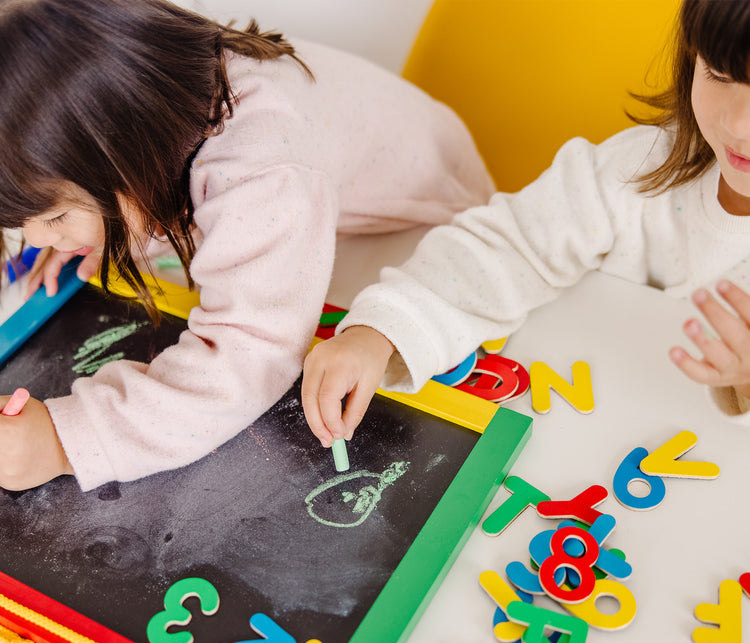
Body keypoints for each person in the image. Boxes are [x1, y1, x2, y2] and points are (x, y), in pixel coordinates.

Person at [0, 0, 494, 491]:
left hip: (428, 237)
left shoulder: (260, 167)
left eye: (55, 216)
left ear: (133, 149)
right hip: (334, 202)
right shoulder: (155, 82)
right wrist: (94, 224)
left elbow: (248, 356)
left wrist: (66, 441)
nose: (38, 238)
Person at [302, 0, 750, 447]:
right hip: (574, 440)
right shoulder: (637, 167)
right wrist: (379, 331)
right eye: (721, 76)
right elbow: (506, 251)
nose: (738, 124)